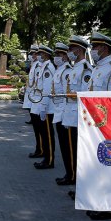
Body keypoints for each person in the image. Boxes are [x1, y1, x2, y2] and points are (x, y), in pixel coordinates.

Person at [85, 32, 111, 221]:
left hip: (107, 125)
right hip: (96, 124)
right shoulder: (98, 68)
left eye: (96, 47)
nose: (93, 50)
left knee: (109, 167)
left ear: (105, 49)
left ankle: (110, 207)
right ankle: (102, 203)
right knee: (99, 166)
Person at [62, 35, 92, 194]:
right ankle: (76, 182)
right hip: (71, 114)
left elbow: (86, 95)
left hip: (78, 116)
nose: (69, 52)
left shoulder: (86, 69)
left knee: (80, 153)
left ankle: (80, 185)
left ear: (79, 50)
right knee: (73, 151)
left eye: (71, 49)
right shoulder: (76, 68)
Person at [32, 45, 56, 170]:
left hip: (46, 106)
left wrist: (43, 106)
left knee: (47, 134)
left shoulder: (48, 68)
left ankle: (49, 160)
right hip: (41, 104)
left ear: (46, 54)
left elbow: (47, 89)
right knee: (44, 133)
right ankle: (46, 158)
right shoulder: (43, 67)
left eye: (40, 53)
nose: (38, 55)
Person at [51, 42, 72, 185]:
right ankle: (69, 173)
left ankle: (72, 175)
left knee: (69, 148)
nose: (56, 57)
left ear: (65, 56)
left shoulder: (67, 71)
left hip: (66, 113)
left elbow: (67, 94)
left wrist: (65, 115)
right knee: (64, 147)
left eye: (59, 55)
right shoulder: (59, 70)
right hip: (59, 111)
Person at [23, 46, 43, 157]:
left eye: (34, 54)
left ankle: (40, 149)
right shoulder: (34, 65)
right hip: (32, 100)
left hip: (36, 100)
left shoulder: (39, 66)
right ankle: (39, 148)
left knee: (39, 128)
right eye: (32, 54)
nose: (32, 56)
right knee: (36, 128)